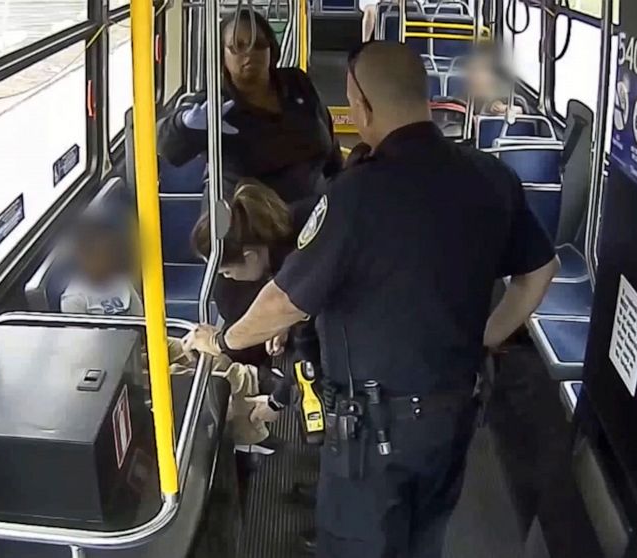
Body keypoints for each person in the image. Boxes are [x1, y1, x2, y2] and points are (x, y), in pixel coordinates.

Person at [183, 41, 559, 557]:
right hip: (457, 410)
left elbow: (284, 303)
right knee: (424, 538)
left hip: (373, 430)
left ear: (359, 105)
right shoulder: (492, 176)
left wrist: (223, 340)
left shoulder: (354, 196)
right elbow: (540, 270)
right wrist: (487, 335)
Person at [59, 208, 272, 452]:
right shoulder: (75, 299)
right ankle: (251, 416)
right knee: (188, 377)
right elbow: (87, 356)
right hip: (116, 367)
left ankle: (252, 409)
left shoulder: (117, 280)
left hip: (141, 343)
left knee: (210, 357)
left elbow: (141, 319)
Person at [158, 8, 342, 205]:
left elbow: (329, 145)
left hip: (313, 210)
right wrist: (183, 125)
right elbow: (169, 149)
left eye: (259, 44)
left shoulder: (297, 83)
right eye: (237, 46)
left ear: (271, 49)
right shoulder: (214, 103)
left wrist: (340, 185)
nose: (249, 53)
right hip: (248, 221)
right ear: (222, 55)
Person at [191, 179, 322, 421]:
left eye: (227, 273)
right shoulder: (295, 223)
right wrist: (282, 321)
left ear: (250, 257)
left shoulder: (298, 266)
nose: (229, 279)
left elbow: (312, 350)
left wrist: (275, 403)